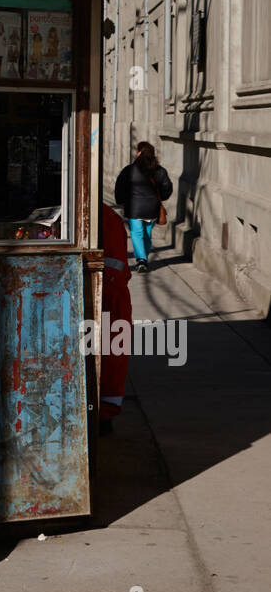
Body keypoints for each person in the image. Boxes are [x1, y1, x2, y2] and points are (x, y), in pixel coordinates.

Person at [114, 140, 173, 272]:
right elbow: (167, 187)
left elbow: (120, 186)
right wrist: (161, 198)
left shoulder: (129, 170)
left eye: (137, 151)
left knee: (136, 233)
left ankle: (141, 259)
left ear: (140, 153)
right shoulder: (160, 171)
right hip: (152, 208)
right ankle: (143, 258)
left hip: (135, 208)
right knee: (147, 234)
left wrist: (121, 200)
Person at [100, 203, 133, 435]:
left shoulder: (102, 217)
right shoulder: (108, 216)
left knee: (110, 353)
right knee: (112, 354)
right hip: (113, 291)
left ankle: (104, 413)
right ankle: (106, 413)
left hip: (109, 293)